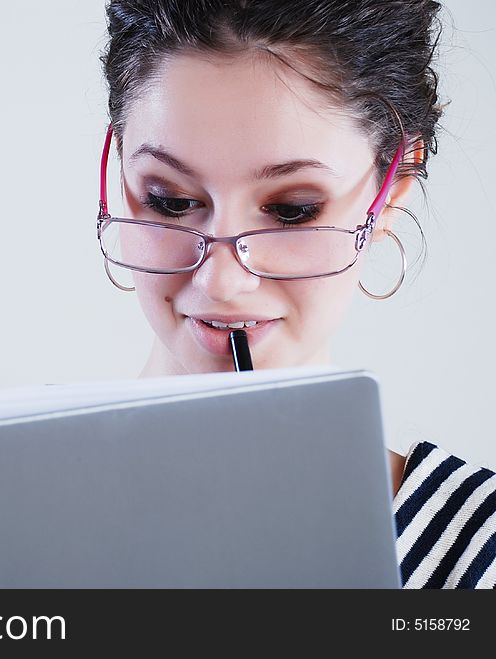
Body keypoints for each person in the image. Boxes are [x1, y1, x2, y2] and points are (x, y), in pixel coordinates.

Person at [97, 0, 495, 588]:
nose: (220, 281)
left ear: (392, 187)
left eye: (292, 211)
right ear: (123, 178)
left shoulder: (478, 551)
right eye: (171, 200)